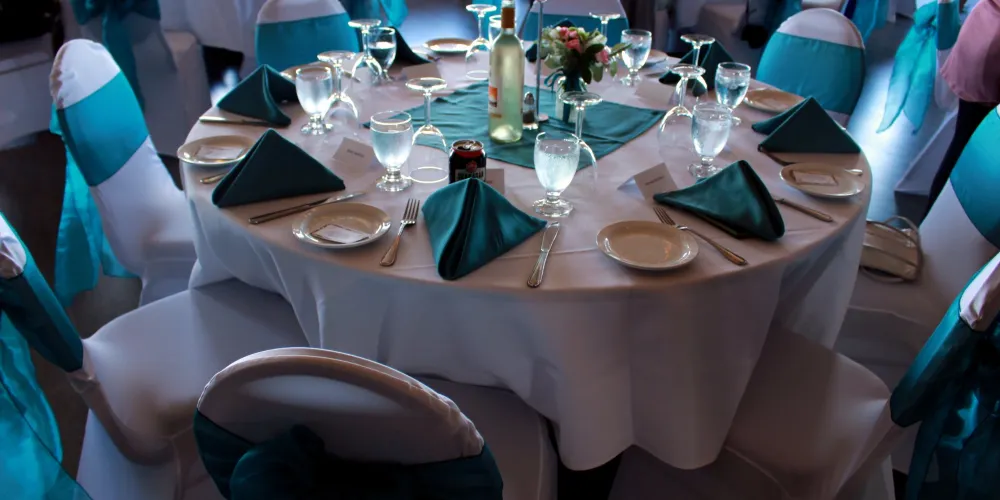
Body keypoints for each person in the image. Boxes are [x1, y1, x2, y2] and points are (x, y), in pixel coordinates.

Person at [928, 0, 1000, 208]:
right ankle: (938, 216)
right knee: (966, 148)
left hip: (982, 32)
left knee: (963, 143)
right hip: (991, 50)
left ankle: (933, 216)